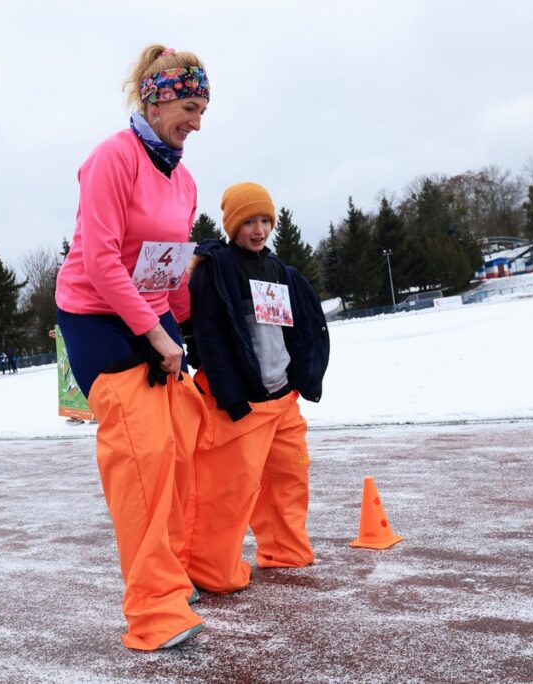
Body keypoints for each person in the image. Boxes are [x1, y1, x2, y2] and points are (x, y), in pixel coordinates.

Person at [54, 43, 210, 651]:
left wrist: (187, 330)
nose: (197, 123)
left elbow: (166, 268)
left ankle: (167, 573)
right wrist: (153, 334)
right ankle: (152, 610)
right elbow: (99, 260)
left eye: (203, 110)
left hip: (148, 312)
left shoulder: (185, 178)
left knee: (176, 445)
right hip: (94, 313)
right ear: (158, 96)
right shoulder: (110, 159)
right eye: (190, 107)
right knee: (143, 453)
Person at [183, 182, 330, 595]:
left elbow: (295, 330)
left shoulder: (279, 270)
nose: (259, 229)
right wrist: (230, 397)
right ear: (232, 225)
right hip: (239, 402)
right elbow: (208, 335)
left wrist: (303, 378)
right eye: (249, 221)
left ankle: (285, 549)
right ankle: (212, 569)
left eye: (265, 220)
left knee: (289, 477)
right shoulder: (216, 268)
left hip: (282, 398)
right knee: (229, 490)